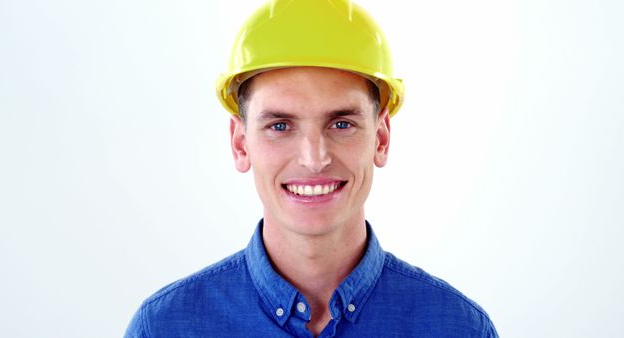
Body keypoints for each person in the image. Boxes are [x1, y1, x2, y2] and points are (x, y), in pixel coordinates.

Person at [125, 0, 498, 337]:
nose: (314, 158)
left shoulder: (460, 328)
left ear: (381, 139)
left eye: (341, 124)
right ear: (240, 143)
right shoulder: (164, 328)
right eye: (280, 126)